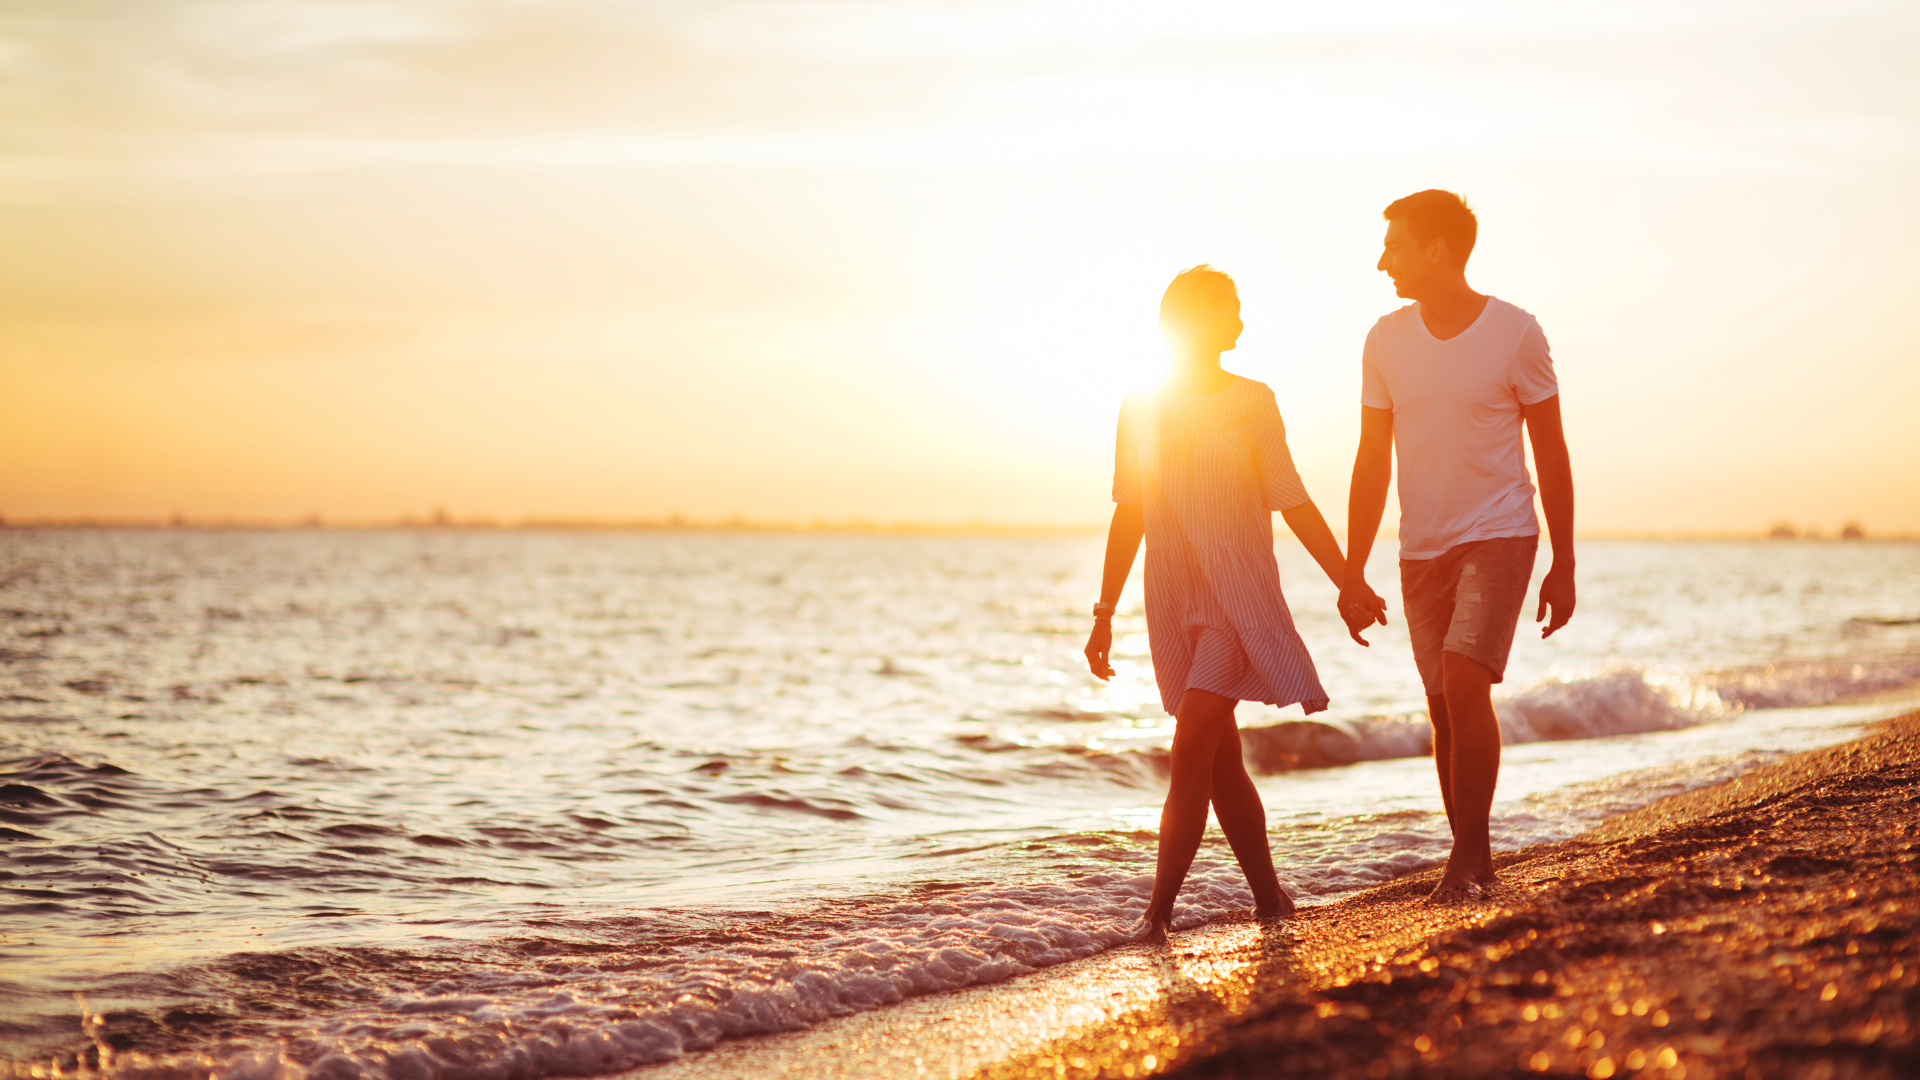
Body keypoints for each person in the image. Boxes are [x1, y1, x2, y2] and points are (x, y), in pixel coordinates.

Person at [1084, 265, 1360, 945]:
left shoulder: (1253, 401)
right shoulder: (1141, 405)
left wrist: (1346, 579)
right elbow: (1131, 512)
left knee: (1190, 749)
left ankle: (1157, 915)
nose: (1240, 320)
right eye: (1229, 309)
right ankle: (1271, 899)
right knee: (1220, 757)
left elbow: (1291, 498)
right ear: (1193, 321)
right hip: (1174, 591)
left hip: (1238, 593)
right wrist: (1103, 611)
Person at [1337, 190, 1577, 903]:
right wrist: (1352, 569)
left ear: (1437, 249)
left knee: (1466, 680)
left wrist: (1563, 561)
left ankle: (1467, 859)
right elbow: (1370, 460)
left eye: (1396, 246)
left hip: (1501, 531)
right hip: (1422, 546)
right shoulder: (1384, 340)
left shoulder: (1516, 333)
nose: (1383, 261)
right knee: (1442, 703)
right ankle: (1473, 854)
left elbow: (1552, 451)